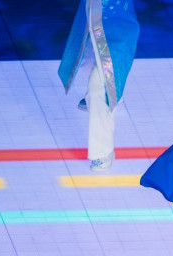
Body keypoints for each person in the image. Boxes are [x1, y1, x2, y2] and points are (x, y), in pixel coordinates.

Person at [58, 0, 140, 171]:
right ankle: (112, 92)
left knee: (99, 90)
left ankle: (102, 152)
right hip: (94, 16)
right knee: (87, 57)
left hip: (113, 26)